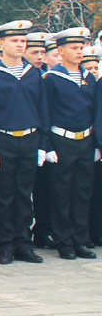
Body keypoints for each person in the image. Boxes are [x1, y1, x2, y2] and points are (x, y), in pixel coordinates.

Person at [0, 20, 45, 265]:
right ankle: (5, 244)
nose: (20, 45)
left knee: (24, 194)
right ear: (2, 44)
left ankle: (23, 243)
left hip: (29, 138)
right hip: (3, 139)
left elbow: (42, 109)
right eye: (15, 41)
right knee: (3, 195)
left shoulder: (34, 74)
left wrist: (42, 143)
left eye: (22, 41)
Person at [43, 27, 96, 259]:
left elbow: (94, 111)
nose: (79, 52)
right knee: (62, 192)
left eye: (81, 48)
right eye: (74, 48)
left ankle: (80, 239)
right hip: (61, 139)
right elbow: (45, 112)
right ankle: (64, 241)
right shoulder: (52, 78)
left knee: (82, 192)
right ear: (61, 51)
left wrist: (95, 143)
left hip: (85, 139)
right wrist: (48, 146)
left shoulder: (89, 77)